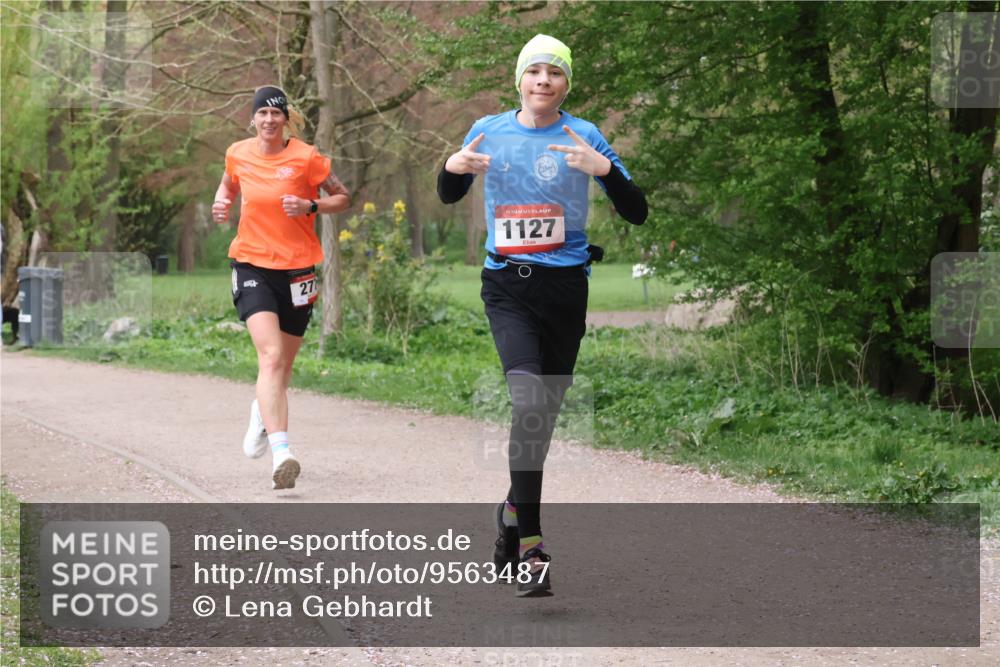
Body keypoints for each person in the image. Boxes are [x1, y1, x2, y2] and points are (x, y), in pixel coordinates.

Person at [437, 35, 648, 596]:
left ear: (566, 85)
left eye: (555, 73)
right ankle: (531, 544)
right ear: (520, 81)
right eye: (534, 71)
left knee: (542, 420)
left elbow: (637, 211)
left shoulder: (585, 135)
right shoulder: (488, 129)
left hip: (564, 290)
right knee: (528, 401)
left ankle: (509, 515)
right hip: (507, 285)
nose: (544, 81)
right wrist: (453, 166)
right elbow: (448, 192)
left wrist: (604, 168)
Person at [212, 85, 350, 490]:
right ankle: (283, 452)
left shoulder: (308, 158)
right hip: (252, 263)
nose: (269, 120)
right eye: (262, 114)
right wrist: (221, 203)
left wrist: (312, 206)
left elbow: (343, 197)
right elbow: (227, 186)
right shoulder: (237, 153)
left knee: (282, 367)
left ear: (286, 119)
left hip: (298, 271)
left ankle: (261, 410)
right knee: (270, 356)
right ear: (252, 119)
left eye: (276, 114)